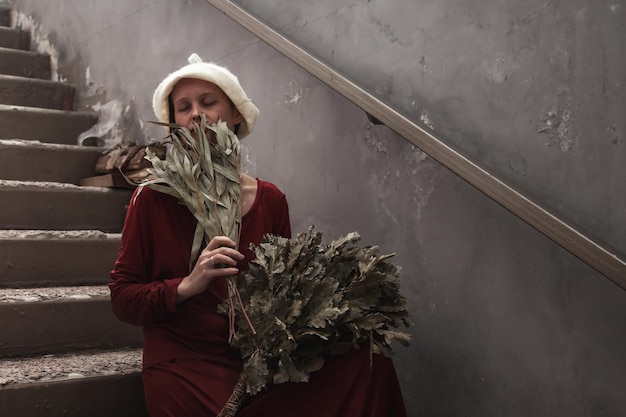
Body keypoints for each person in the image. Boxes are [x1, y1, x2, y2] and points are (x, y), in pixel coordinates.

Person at [109, 54, 407, 417]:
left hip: (256, 360)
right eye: (183, 108)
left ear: (235, 114)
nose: (196, 115)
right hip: (185, 362)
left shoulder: (270, 199)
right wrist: (188, 284)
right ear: (173, 125)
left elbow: (282, 290)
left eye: (208, 102)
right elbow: (123, 298)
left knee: (367, 361)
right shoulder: (152, 198)